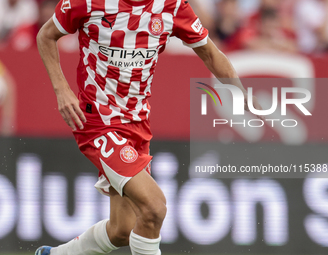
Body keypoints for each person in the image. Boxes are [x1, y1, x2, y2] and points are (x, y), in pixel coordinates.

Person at [36, 0, 262, 255]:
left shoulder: (172, 7)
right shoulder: (89, 2)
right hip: (98, 122)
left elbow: (210, 53)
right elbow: (46, 35)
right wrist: (61, 89)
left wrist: (240, 93)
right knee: (154, 207)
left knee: (122, 230)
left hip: (137, 125)